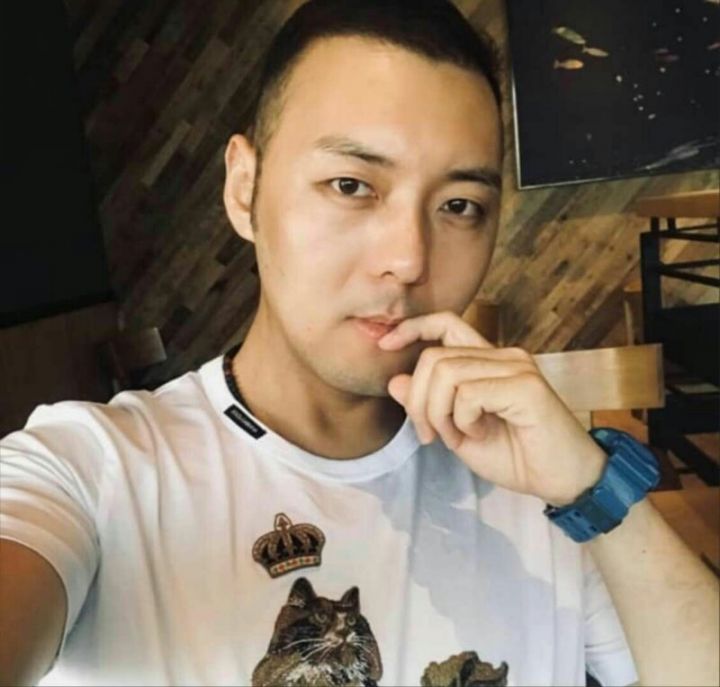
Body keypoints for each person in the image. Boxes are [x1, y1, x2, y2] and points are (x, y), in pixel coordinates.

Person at [1, 1, 718, 685]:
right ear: (244, 189)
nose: (408, 259)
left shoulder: (542, 487)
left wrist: (593, 488)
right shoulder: (90, 473)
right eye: (350, 185)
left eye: (459, 205)